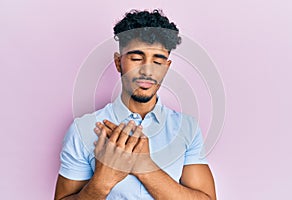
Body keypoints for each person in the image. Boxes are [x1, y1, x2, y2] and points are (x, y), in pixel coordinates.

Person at [54, 9, 216, 200]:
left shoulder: (187, 128)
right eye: (136, 58)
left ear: (167, 67)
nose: (147, 70)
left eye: (158, 61)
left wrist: (144, 167)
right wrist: (103, 180)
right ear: (118, 62)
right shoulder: (84, 129)